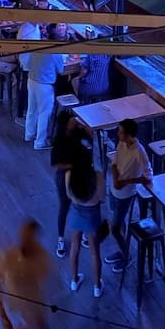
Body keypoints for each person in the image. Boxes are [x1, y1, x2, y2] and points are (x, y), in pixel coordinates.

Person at [104, 118, 153, 273]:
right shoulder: (121, 143)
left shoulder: (140, 152)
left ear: (129, 134)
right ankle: (122, 250)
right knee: (119, 223)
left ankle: (127, 256)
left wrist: (126, 182)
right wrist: (115, 178)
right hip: (114, 190)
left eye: (120, 131)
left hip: (125, 194)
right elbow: (114, 164)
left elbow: (148, 177)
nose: (118, 134)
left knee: (115, 228)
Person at [0, 219, 52, 329]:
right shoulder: (8, 257)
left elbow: (42, 278)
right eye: (25, 237)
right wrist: (3, 316)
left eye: (31, 238)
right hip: (18, 305)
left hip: (34, 304)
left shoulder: (41, 255)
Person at [66, 142, 106, 298]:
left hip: (75, 213)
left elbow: (69, 195)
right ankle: (97, 286)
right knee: (95, 252)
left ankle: (74, 280)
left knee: (74, 247)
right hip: (92, 216)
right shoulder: (98, 176)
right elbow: (101, 198)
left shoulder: (69, 175)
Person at [50, 109, 89, 258]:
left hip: (79, 174)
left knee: (81, 205)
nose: (75, 120)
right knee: (64, 206)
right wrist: (74, 165)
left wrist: (84, 127)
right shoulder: (59, 140)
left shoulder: (78, 132)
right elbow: (56, 163)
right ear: (66, 123)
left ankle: (83, 232)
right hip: (65, 176)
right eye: (72, 119)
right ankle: (60, 238)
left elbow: (89, 138)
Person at [25, 47, 65, 151]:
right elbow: (61, 70)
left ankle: (29, 134)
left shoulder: (38, 46)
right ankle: (40, 143)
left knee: (31, 109)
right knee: (44, 114)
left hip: (31, 80)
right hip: (45, 84)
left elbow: (28, 64)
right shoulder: (55, 51)